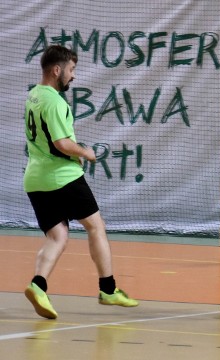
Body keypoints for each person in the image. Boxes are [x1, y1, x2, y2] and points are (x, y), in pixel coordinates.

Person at [23, 45, 138, 320]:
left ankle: (38, 286)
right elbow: (61, 143)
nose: (73, 76)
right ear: (57, 70)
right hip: (62, 177)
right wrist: (85, 152)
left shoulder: (34, 95)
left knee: (58, 236)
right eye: (71, 70)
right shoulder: (54, 101)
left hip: (35, 179)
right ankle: (108, 289)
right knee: (95, 226)